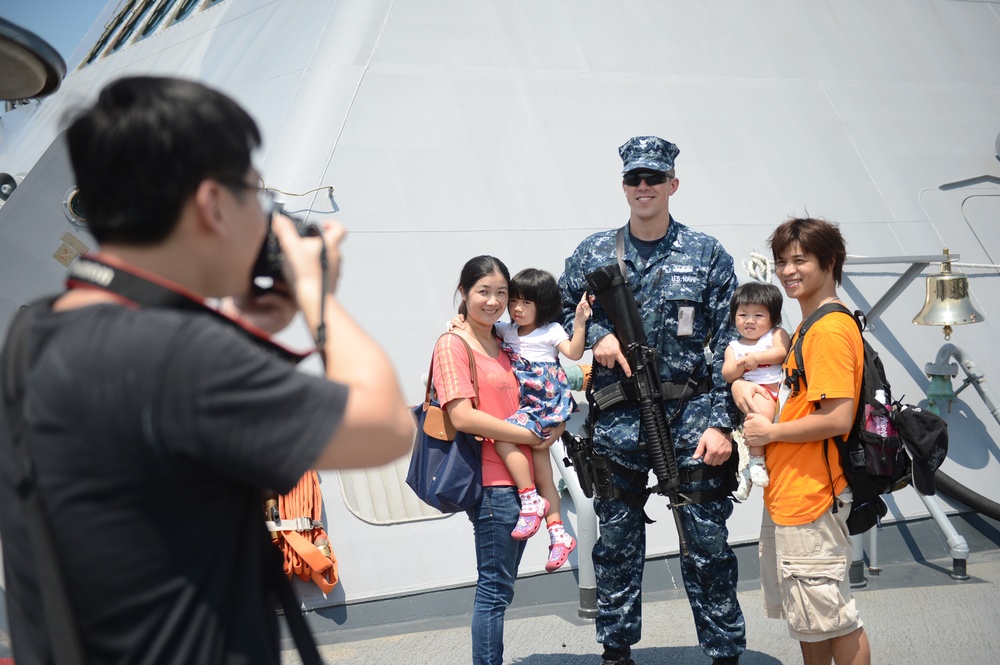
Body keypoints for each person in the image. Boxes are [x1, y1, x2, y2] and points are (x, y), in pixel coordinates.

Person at [0, 76, 414, 664]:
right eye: (255, 194)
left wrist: (237, 332)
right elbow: (384, 427)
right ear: (213, 204)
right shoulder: (181, 359)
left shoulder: (35, 334)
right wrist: (319, 297)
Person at [559, 136, 746, 665]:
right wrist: (596, 332)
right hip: (618, 422)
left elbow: (730, 343)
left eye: (654, 179)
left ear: (672, 185)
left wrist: (721, 425)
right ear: (624, 187)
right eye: (635, 179)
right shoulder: (595, 252)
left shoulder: (706, 254)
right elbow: (552, 311)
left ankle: (725, 652)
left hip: (690, 419)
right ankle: (616, 652)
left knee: (707, 543)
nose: (644, 188)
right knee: (616, 545)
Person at [736, 217, 872, 665]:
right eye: (781, 262)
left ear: (830, 262)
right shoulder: (808, 327)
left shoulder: (829, 330)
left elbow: (837, 417)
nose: (788, 271)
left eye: (801, 260)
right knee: (809, 619)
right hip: (794, 495)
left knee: (836, 620)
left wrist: (770, 432)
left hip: (815, 495)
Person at [433, 256, 566, 665]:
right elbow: (462, 416)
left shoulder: (505, 341)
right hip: (494, 484)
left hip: (524, 470)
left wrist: (554, 426)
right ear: (464, 293)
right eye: (483, 292)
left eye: (501, 293)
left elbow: (537, 391)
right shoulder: (452, 344)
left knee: (500, 589)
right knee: (494, 590)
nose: (493, 301)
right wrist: (531, 435)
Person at [493, 268, 590, 572]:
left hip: (544, 402)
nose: (517, 309)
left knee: (503, 437)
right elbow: (476, 326)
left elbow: (574, 353)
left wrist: (580, 322)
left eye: (526, 303)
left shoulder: (551, 331)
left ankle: (529, 499)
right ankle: (558, 533)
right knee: (543, 470)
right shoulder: (507, 330)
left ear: (543, 305)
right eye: (514, 301)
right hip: (531, 404)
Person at [722, 282, 791, 501]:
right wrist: (741, 365)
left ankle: (750, 469)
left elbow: (782, 352)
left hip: (775, 393)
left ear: (774, 318)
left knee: (759, 423)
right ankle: (754, 464)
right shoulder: (733, 346)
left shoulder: (775, 335)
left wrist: (756, 358)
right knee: (754, 423)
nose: (750, 320)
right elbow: (727, 373)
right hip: (753, 395)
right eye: (743, 314)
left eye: (759, 315)